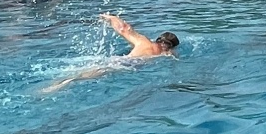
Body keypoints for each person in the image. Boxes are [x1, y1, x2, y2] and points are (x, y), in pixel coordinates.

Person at [42, 13, 179, 91]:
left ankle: (57, 83)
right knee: (82, 77)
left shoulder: (144, 42)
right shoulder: (166, 54)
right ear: (171, 46)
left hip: (119, 61)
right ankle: (59, 85)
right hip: (125, 65)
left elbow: (124, 29)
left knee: (85, 73)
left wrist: (112, 17)